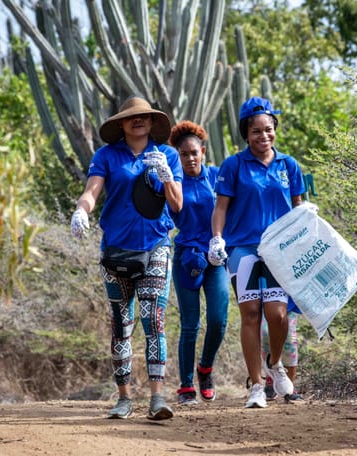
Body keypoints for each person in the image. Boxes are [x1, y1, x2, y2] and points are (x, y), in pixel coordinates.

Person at [70, 96, 183, 421]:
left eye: (144, 117)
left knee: (154, 320)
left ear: (151, 122)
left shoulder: (169, 155)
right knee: (122, 323)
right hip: (116, 249)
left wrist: (164, 174)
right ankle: (123, 399)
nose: (138, 121)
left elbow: (177, 205)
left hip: (156, 246)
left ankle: (157, 397)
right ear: (121, 124)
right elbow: (92, 191)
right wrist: (82, 210)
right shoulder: (107, 155)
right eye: (132, 118)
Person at [209, 96, 306, 408]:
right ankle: (256, 386)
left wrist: (304, 239)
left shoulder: (288, 165)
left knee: (277, 315)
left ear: (275, 129)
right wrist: (217, 238)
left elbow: (299, 208)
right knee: (250, 313)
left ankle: (274, 365)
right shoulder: (234, 165)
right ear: (245, 134)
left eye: (268, 130)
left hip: (279, 250)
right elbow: (220, 207)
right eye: (256, 132)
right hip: (244, 249)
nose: (264, 136)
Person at [167, 121, 229, 405]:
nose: (190, 158)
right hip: (186, 257)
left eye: (194, 152)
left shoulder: (217, 177)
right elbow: (170, 213)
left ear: (203, 151)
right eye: (184, 154)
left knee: (218, 320)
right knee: (190, 323)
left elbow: (232, 209)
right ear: (177, 156)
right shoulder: (173, 183)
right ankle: (186, 385)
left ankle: (205, 368)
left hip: (215, 257)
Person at [261, 310, 302, 401]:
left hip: (288, 299)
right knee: (266, 333)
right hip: (262, 299)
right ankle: (271, 378)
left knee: (289, 338)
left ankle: (290, 388)